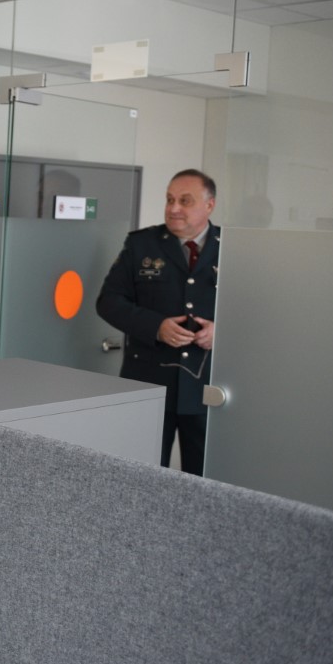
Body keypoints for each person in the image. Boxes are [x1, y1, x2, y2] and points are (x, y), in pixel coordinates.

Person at [96, 168, 220, 476]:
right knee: (143, 476)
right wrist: (156, 327)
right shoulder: (142, 245)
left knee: (207, 481)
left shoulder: (231, 246)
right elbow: (108, 302)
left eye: (185, 200)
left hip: (209, 386)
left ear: (209, 205)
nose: (174, 208)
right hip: (149, 381)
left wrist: (222, 331)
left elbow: (256, 312)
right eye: (169, 199)